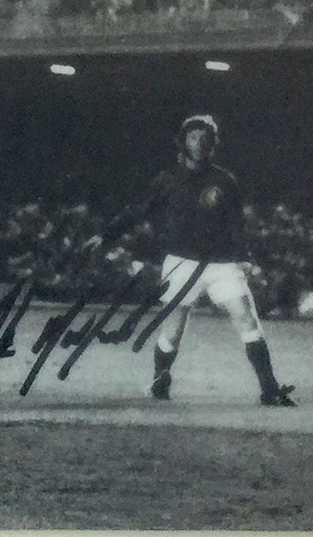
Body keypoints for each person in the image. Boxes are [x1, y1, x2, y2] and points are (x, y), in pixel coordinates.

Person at [94, 113, 295, 407]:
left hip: (222, 264)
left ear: (213, 143)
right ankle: (159, 382)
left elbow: (236, 224)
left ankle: (269, 389)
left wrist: (245, 257)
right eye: (193, 137)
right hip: (181, 263)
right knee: (172, 331)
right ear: (183, 141)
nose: (199, 143)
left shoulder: (225, 181)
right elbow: (139, 211)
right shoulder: (167, 181)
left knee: (246, 318)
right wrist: (106, 235)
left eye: (205, 138)